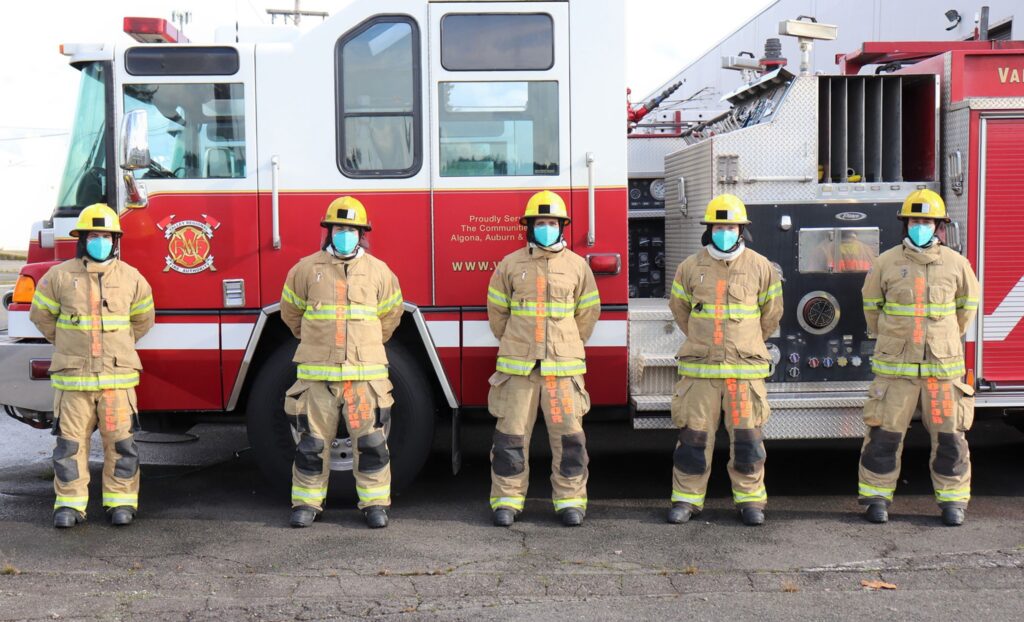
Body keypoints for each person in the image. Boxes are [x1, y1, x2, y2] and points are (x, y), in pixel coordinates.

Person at [279, 196, 404, 529]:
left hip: (364, 379)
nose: (344, 234)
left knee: (372, 444)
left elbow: (390, 317)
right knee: (311, 445)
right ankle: (306, 503)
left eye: (351, 229)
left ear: (361, 233)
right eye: (339, 228)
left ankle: (376, 503)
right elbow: (291, 314)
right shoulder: (305, 270)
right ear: (328, 231)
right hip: (317, 379)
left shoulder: (380, 272)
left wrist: (365, 347)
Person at [858, 189, 980, 526]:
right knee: (883, 436)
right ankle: (876, 498)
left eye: (927, 221)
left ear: (940, 226)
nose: (920, 226)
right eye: (915, 220)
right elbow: (872, 308)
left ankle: (953, 502)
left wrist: (942, 339)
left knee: (950, 439)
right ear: (905, 224)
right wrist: (892, 340)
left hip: (942, 371)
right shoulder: (886, 263)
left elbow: (966, 309)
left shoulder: (957, 265)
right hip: (895, 371)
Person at [29, 203, 155, 528]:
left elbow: (143, 320)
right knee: (70, 446)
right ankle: (69, 505)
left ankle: (122, 503)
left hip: (116, 381)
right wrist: (69, 345)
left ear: (116, 240)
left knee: (122, 445)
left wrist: (119, 346)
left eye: (105, 235)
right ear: (82, 239)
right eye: (93, 235)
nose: (100, 240)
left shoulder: (132, 278)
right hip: (73, 382)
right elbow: (40, 316)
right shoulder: (58, 276)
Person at [485, 190, 601, 527]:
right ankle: (506, 501)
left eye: (551, 222)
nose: (546, 227)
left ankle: (570, 502)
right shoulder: (510, 264)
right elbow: (497, 312)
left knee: (569, 441)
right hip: (517, 369)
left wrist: (567, 344)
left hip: (562, 370)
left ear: (562, 226)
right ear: (529, 227)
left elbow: (588, 312)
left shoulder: (578, 267)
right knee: (510, 439)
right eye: (540, 222)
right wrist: (516, 342)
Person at [667, 193, 783, 526]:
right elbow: (681, 311)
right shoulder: (690, 268)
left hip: (744, 371)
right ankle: (686, 500)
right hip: (700, 371)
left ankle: (750, 502)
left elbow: (771, 314)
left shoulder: (761, 267)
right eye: (719, 227)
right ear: (709, 230)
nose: (724, 232)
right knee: (693, 440)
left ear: (741, 229)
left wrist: (747, 341)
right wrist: (704, 339)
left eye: (730, 226)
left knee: (748, 442)